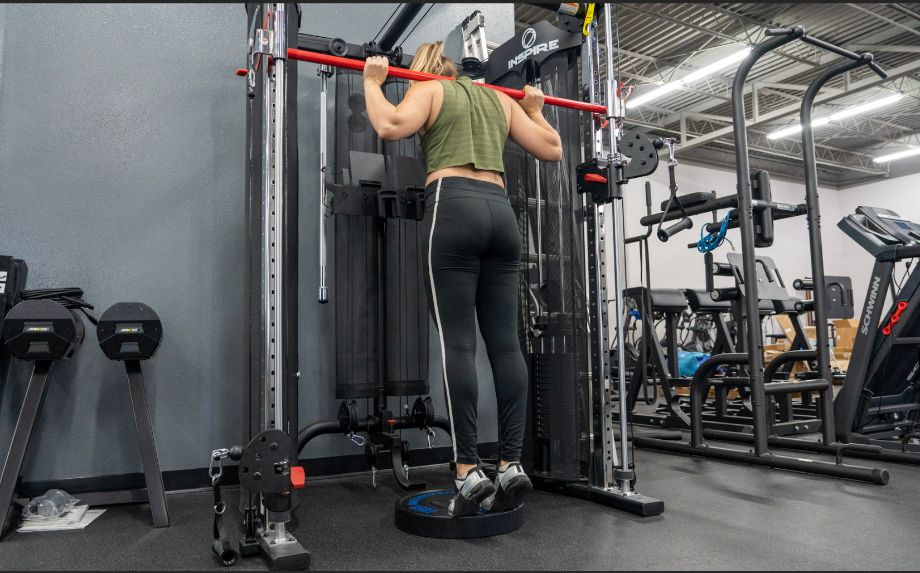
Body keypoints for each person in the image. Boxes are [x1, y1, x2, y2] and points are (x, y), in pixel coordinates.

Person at [362, 42, 562, 517]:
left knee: (459, 345)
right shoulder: (500, 100)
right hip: (501, 215)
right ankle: (510, 464)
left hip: (453, 207)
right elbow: (552, 149)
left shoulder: (430, 89)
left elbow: (389, 125)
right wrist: (536, 110)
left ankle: (467, 469)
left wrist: (372, 82)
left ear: (425, 71)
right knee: (506, 346)